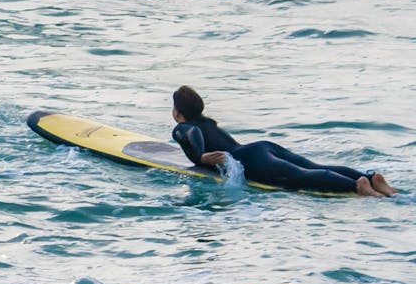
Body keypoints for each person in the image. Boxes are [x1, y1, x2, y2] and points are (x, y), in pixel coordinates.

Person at [170, 85, 398, 197]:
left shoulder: (185, 126)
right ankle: (371, 178)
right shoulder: (208, 122)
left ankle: (356, 186)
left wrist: (200, 157)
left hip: (250, 160)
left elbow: (190, 134)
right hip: (262, 147)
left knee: (301, 176)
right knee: (314, 167)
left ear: (179, 112)